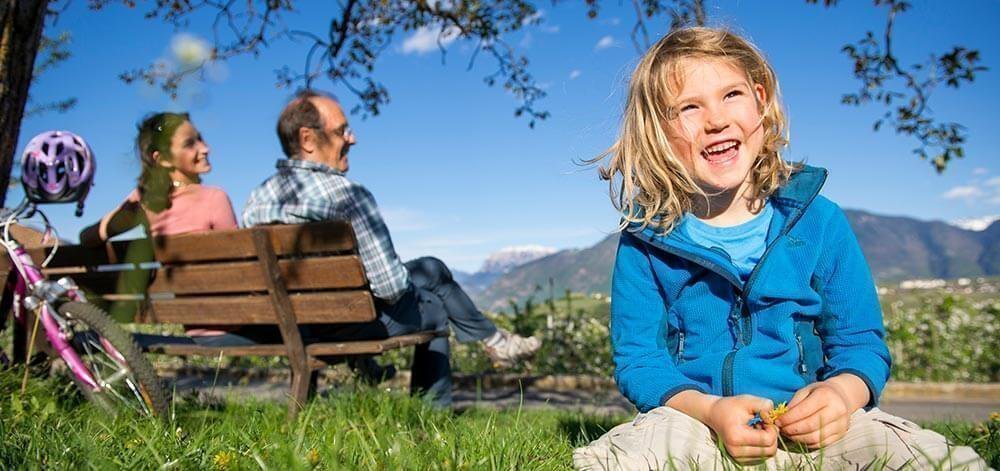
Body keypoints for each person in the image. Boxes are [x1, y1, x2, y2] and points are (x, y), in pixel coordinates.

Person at [572, 27, 987, 470]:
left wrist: (841, 394)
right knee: (622, 459)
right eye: (688, 107)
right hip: (696, 423)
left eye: (731, 95)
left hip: (811, 426)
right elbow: (640, 361)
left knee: (932, 460)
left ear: (760, 98)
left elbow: (860, 342)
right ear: (658, 131)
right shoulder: (645, 238)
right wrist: (709, 410)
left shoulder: (820, 221)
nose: (716, 119)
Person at [241, 90, 541, 407]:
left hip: (293, 325)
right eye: (342, 130)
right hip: (345, 323)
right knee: (434, 300)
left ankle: (493, 340)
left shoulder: (257, 197)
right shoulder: (347, 196)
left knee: (430, 267)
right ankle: (434, 413)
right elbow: (391, 287)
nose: (352, 138)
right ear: (308, 139)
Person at [79, 112, 240, 344]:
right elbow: (236, 269)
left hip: (194, 328)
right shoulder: (215, 198)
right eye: (190, 143)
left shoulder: (142, 203)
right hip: (238, 325)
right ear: (162, 159)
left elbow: (87, 237)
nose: (205, 148)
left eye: (200, 139)